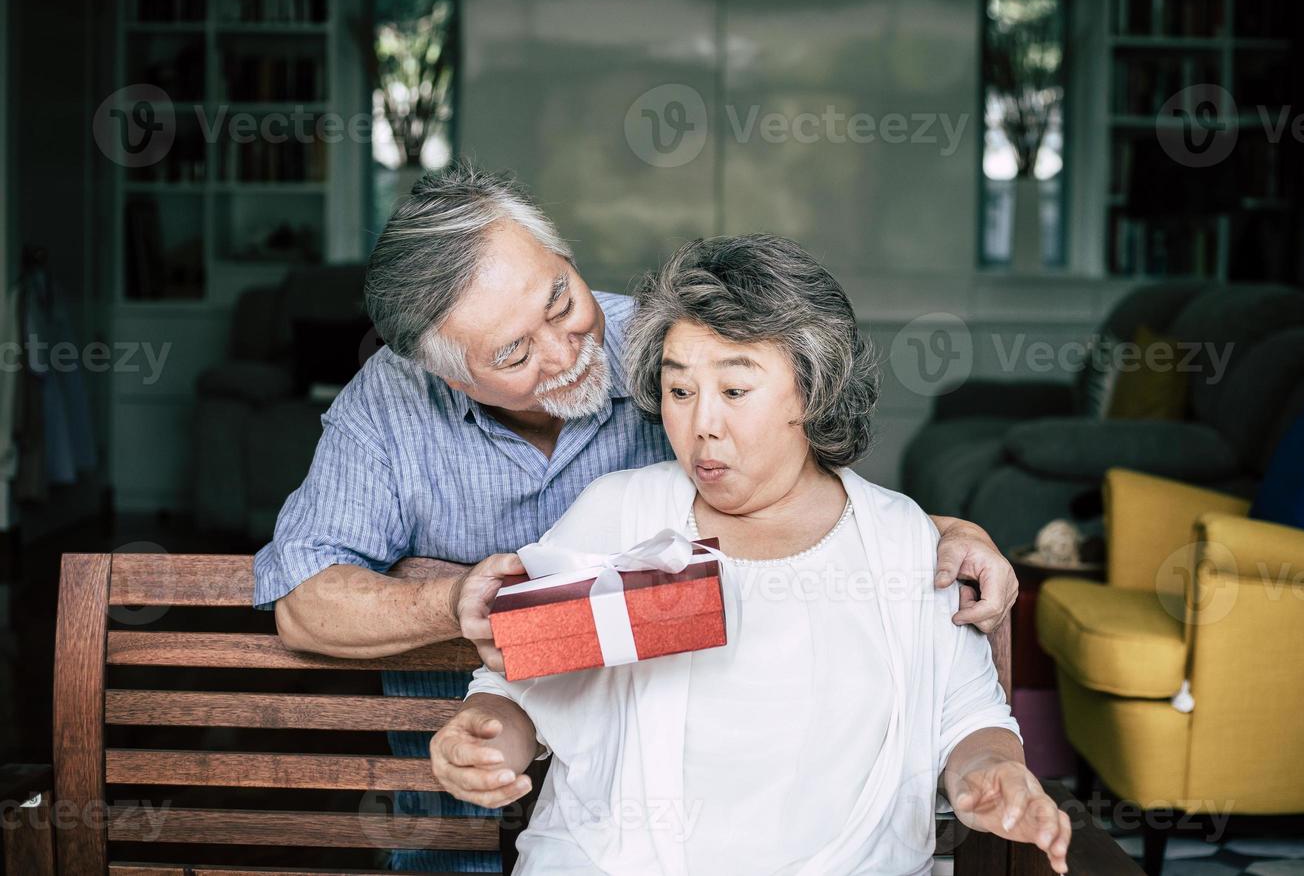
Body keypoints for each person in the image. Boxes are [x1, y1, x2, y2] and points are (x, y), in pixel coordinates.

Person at [252, 164, 1021, 872]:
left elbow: (795, 471)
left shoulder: (672, 347)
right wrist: (453, 605)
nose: (566, 352)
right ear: (448, 375)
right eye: (515, 354)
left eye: (562, 300)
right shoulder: (389, 406)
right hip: (484, 775)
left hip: (679, 777)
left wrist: (935, 531)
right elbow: (305, 603)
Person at [430, 235, 1069, 875]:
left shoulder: (901, 541)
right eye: (680, 392)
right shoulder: (620, 516)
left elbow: (968, 720)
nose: (702, 422)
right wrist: (485, 739)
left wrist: (992, 775)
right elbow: (516, 687)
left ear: (813, 392)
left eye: (735, 390)